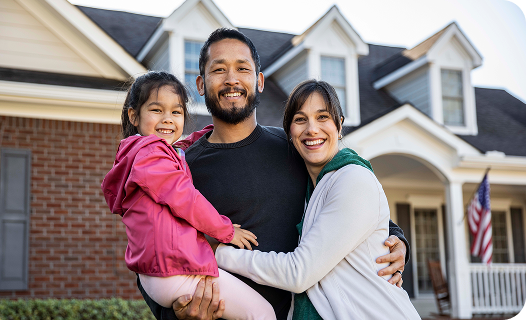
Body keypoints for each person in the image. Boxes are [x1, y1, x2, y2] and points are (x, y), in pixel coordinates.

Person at [139, 28, 410, 320]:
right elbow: (147, 246)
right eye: (219, 69)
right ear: (201, 84)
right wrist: (175, 314)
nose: (232, 79)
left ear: (259, 81)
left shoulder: (295, 146)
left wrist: (397, 239)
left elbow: (350, 205)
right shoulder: (179, 168)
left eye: (242, 68)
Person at [214, 79, 421, 319]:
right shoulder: (307, 187)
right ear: (289, 132)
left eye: (322, 117)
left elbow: (299, 273)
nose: (312, 129)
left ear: (339, 125)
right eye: (300, 119)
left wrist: (217, 252)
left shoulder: (353, 178)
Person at [101, 71, 276, 320]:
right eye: (156, 110)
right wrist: (226, 230)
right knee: (262, 313)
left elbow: (177, 150)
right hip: (175, 269)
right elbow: (187, 199)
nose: (168, 119)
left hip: (156, 273)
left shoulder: (141, 154)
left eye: (176, 112)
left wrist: (203, 136)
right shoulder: (151, 157)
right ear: (134, 116)